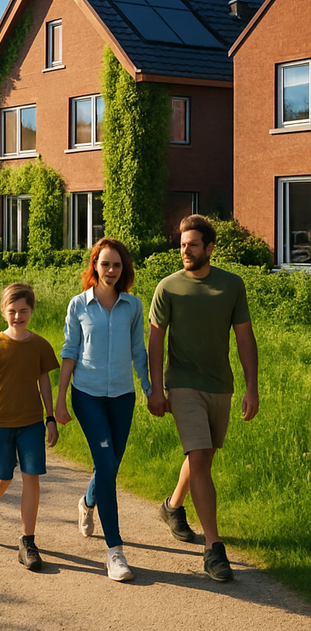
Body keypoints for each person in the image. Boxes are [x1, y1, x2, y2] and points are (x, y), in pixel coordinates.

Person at [148, 214, 259, 583]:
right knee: (197, 455)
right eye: (182, 245)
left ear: (210, 248)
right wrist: (156, 388)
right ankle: (214, 548)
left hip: (220, 385)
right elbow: (155, 341)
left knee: (205, 457)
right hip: (182, 384)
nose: (185, 251)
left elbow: (244, 338)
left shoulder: (232, 285)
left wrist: (251, 387)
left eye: (192, 245)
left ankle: (172, 507)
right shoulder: (168, 287)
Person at [55, 238, 150, 582]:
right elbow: (69, 352)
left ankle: (87, 501)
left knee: (109, 465)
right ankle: (115, 552)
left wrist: (150, 389)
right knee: (107, 464)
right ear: (94, 265)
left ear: (124, 270)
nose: (111, 271)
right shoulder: (78, 305)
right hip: (88, 395)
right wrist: (60, 399)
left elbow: (139, 351)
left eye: (117, 265)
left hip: (123, 396)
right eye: (105, 264)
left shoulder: (133, 306)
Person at [0, 282, 59, 571]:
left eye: (23, 310)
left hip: (32, 424)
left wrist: (51, 418)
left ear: (31, 310)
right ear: (4, 312)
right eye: (12, 311)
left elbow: (45, 382)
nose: (18, 316)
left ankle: (27, 541)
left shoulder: (39, 345)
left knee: (31, 479)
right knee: (2, 479)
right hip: (0, 424)